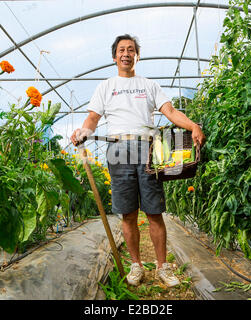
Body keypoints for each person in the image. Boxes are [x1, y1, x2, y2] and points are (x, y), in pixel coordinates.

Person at [71, 34, 205, 287]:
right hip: (118, 149)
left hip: (148, 150)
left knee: (154, 212)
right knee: (128, 214)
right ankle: (136, 266)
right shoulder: (106, 86)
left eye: (131, 49)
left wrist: (193, 125)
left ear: (137, 56)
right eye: (121, 50)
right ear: (114, 57)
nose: (126, 53)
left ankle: (163, 267)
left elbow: (171, 112)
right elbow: (93, 118)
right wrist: (82, 133)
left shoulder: (149, 85)